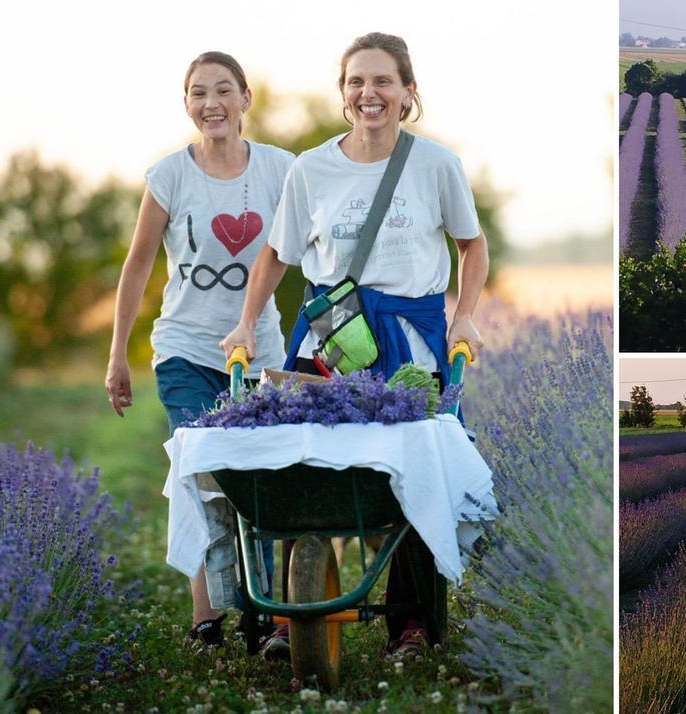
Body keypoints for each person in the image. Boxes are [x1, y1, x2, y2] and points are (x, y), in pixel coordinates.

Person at [222, 32, 490, 658]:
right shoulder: (311, 169)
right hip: (330, 337)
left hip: (409, 339)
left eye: (383, 81)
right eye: (356, 82)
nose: (369, 93)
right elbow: (276, 254)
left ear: (408, 91)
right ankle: (293, 618)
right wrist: (245, 323)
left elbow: (472, 246)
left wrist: (465, 317)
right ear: (343, 92)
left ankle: (411, 625)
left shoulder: (437, 164)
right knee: (304, 464)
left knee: (417, 467)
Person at [105, 51, 293, 649]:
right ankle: (206, 619)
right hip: (185, 350)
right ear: (186, 103)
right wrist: (117, 354)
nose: (210, 103)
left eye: (222, 90)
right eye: (197, 92)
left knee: (261, 478)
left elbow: (310, 248)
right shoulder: (169, 175)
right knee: (200, 472)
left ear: (245, 98)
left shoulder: (281, 168)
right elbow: (138, 266)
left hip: (261, 351)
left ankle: (266, 614)